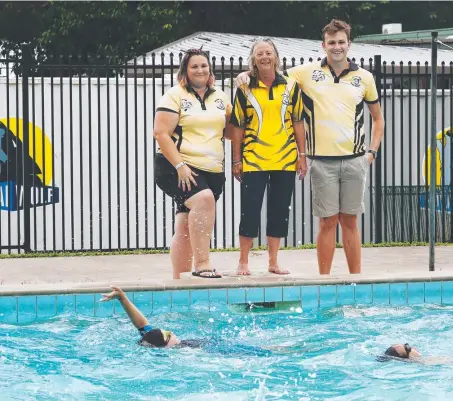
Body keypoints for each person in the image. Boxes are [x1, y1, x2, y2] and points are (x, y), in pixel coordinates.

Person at [235, 20, 385, 275]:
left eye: (341, 42)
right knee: (327, 222)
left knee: (350, 221)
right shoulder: (305, 73)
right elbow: (270, 73)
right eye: (331, 42)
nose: (336, 47)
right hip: (321, 161)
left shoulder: (365, 77)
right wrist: (245, 75)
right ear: (323, 45)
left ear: (349, 44)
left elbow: (378, 118)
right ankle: (324, 280)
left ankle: (356, 280)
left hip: (355, 160)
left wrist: (372, 152)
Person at [227, 37, 307, 276]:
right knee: (249, 210)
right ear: (253, 58)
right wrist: (236, 159)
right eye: (259, 53)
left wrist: (302, 155)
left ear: (276, 57)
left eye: (268, 52)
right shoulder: (244, 87)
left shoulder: (291, 86)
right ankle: (243, 261)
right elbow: (238, 126)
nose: (264, 56)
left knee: (279, 210)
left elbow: (298, 121)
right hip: (254, 159)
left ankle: (273, 262)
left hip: (285, 158)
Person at [153, 48, 232, 279]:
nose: (200, 70)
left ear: (210, 70)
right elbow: (160, 133)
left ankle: (180, 281)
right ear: (185, 72)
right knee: (203, 199)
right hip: (177, 167)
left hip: (213, 170)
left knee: (185, 224)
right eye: (194, 66)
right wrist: (180, 166)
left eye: (204, 66)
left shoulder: (221, 97)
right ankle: (203, 263)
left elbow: (229, 131)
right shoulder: (174, 95)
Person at [99, 286, 272, 356]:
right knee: (261, 351)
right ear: (166, 345)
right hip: (220, 350)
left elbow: (142, 325)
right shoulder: (185, 349)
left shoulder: (152, 338)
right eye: (168, 334)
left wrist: (122, 298)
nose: (172, 332)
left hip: (217, 346)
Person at [378, 343, 453, 365]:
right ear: (409, 357)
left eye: (406, 343)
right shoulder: (429, 363)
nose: (411, 346)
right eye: (407, 348)